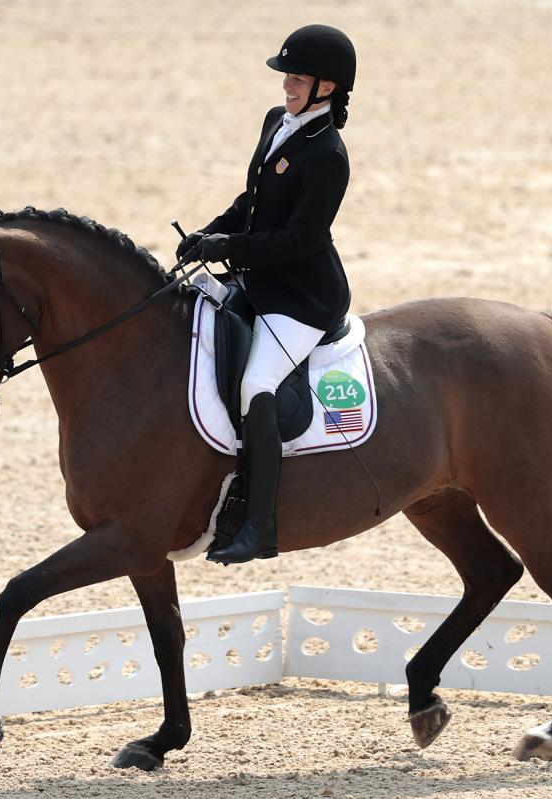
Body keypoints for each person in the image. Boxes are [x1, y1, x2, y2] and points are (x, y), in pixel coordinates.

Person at [179, 24, 357, 565]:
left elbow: (299, 241)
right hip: (259, 278)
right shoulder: (277, 122)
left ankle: (260, 526)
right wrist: (207, 235)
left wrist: (229, 244)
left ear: (328, 87)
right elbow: (253, 198)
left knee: (257, 382)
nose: (287, 88)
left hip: (303, 294)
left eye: (298, 80)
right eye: (288, 78)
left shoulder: (328, 154)